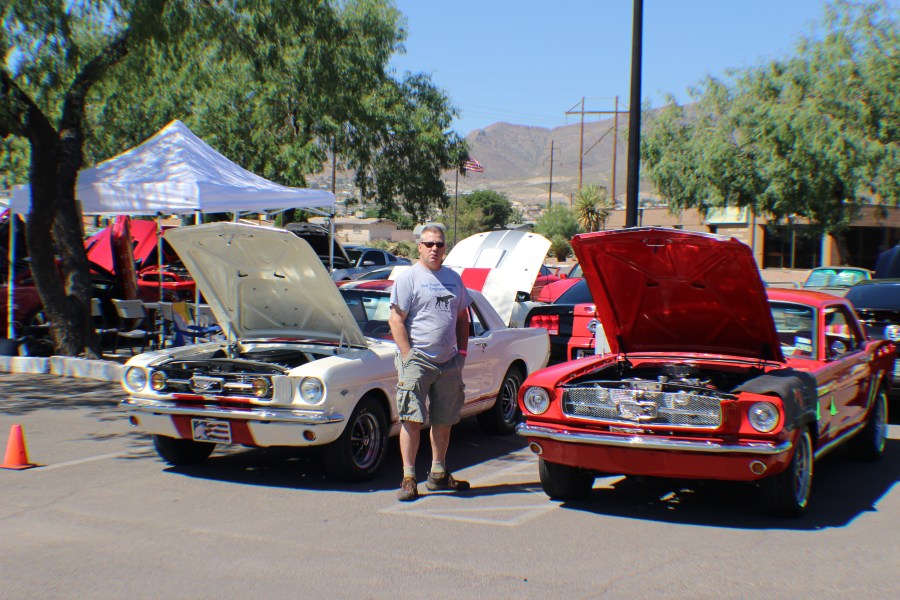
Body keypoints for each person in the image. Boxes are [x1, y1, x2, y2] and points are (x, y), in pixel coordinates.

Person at [388, 223, 471, 501]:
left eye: (440, 244)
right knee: (411, 419)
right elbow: (396, 320)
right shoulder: (408, 278)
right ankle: (408, 478)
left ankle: (438, 474)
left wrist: (461, 353)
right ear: (420, 247)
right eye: (429, 244)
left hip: (448, 362)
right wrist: (408, 356)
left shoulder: (453, 279)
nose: (434, 248)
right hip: (417, 360)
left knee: (444, 420)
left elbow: (462, 318)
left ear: (445, 248)